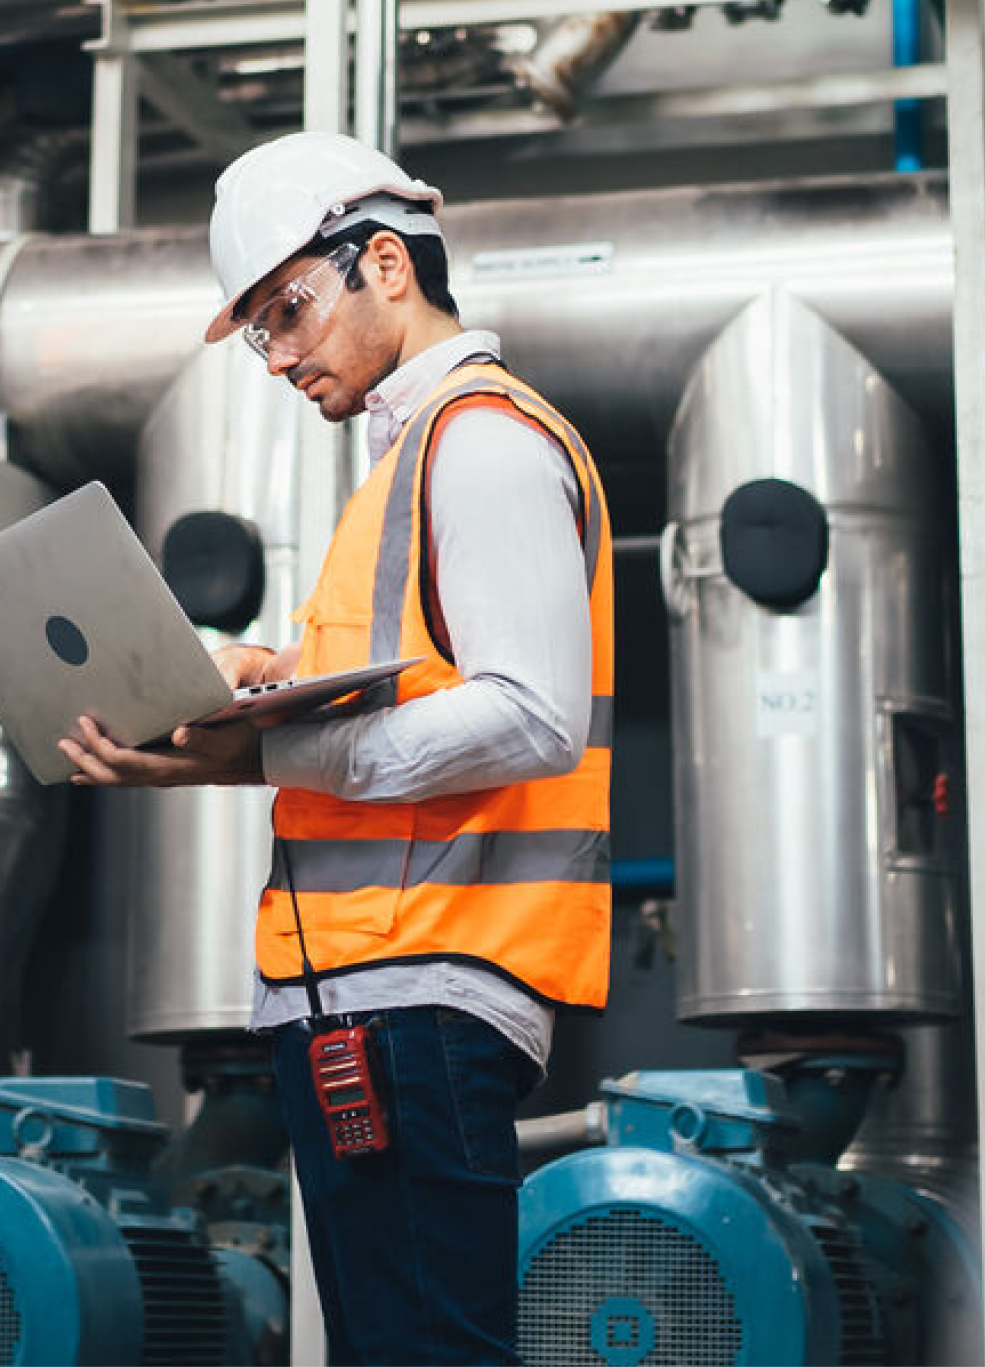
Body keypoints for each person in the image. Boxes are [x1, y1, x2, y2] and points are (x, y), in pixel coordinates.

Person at [58, 131, 613, 1367]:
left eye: (290, 310)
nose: (280, 354)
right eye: (260, 330)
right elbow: (422, 686)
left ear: (385, 265)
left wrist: (255, 758)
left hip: (423, 987)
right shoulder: (411, 457)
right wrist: (270, 685)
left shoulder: (477, 436)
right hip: (378, 993)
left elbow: (531, 711)